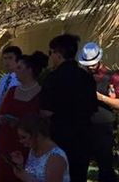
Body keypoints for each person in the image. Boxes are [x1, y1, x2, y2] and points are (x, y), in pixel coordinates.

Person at [40, 34, 97, 182]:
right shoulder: (86, 77)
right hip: (83, 138)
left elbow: (46, 112)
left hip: (59, 137)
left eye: (50, 52)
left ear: (57, 54)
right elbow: (92, 109)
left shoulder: (53, 78)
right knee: (78, 176)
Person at [0, 51, 48, 182]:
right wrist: (1, 118)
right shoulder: (12, 91)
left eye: (19, 68)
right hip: (6, 140)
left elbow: (43, 122)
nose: (15, 71)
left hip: (27, 144)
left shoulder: (41, 93)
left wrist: (21, 123)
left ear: (30, 70)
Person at [77, 41, 119, 182]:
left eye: (93, 64)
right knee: (80, 163)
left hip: (103, 125)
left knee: (105, 164)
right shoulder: (82, 76)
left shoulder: (111, 77)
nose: (90, 68)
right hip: (83, 124)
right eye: (87, 65)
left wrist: (100, 97)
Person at [10, 114, 70, 182]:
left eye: (24, 137)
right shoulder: (33, 149)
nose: (21, 141)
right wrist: (20, 166)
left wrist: (26, 178)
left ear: (37, 135)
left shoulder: (56, 157)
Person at [0, 45, 22, 144]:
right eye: (5, 58)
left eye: (10, 58)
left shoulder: (20, 79)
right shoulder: (4, 79)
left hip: (10, 117)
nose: (7, 61)